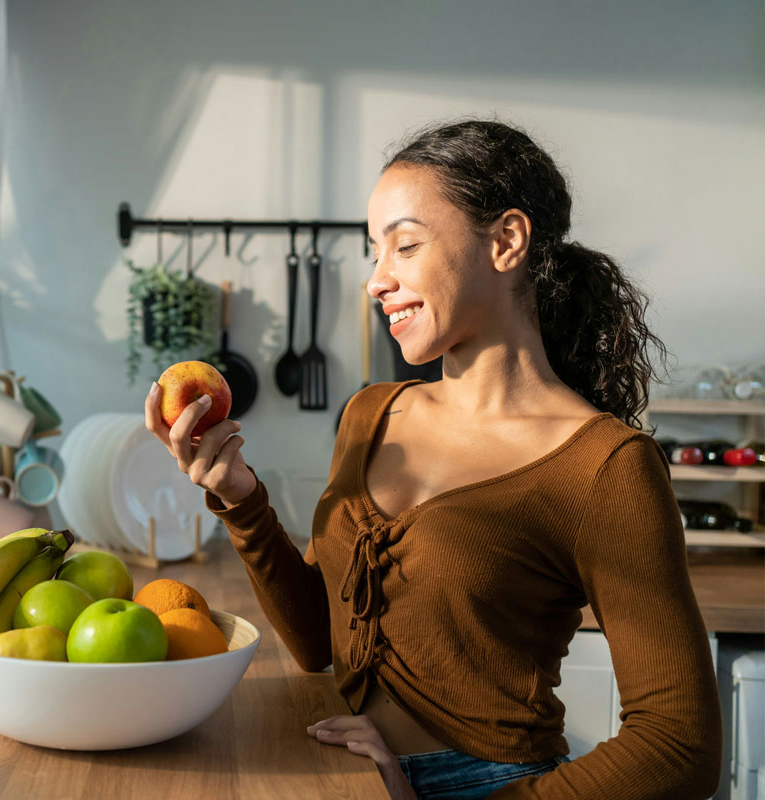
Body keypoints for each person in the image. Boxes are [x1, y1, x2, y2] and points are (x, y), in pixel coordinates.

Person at [142, 119, 721, 799]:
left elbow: (681, 746)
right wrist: (241, 499)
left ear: (506, 241)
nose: (376, 281)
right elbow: (318, 645)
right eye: (373, 253)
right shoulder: (370, 414)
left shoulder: (606, 466)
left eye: (406, 246)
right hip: (342, 770)